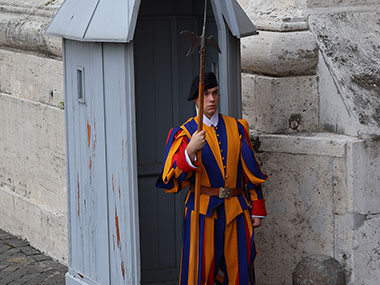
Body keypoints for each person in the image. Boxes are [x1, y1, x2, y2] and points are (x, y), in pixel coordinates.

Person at [156, 72, 268, 284]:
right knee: (199, 271)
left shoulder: (237, 127)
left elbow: (250, 171)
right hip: (202, 211)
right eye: (205, 94)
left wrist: (258, 207)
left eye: (215, 93)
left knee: (241, 272)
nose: (211, 99)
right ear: (195, 99)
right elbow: (171, 179)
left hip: (236, 208)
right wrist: (189, 151)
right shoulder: (185, 133)